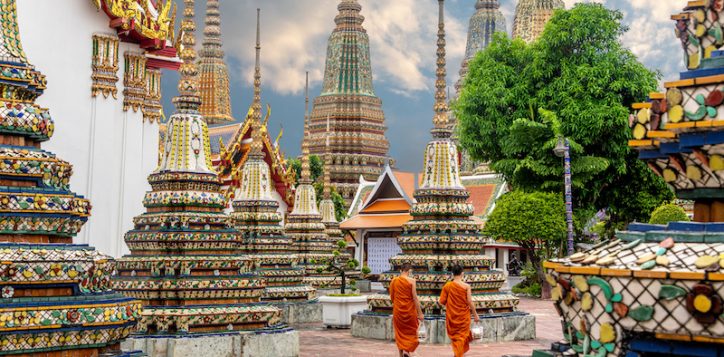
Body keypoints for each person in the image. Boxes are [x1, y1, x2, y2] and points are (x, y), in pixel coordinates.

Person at [439, 265, 480, 357]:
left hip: (452, 316)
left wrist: (452, 305)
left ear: (452, 274)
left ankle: (458, 354)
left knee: (458, 339)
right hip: (464, 316)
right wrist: (475, 314)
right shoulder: (466, 286)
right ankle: (459, 354)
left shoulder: (447, 285)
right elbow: (469, 301)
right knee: (462, 337)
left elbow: (441, 301)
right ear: (462, 274)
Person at [389, 263, 424, 357]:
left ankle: (402, 353)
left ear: (400, 270)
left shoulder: (394, 281)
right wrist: (420, 313)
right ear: (409, 271)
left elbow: (392, 298)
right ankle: (407, 350)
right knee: (412, 332)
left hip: (398, 312)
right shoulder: (412, 281)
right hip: (410, 312)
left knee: (400, 334)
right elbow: (415, 298)